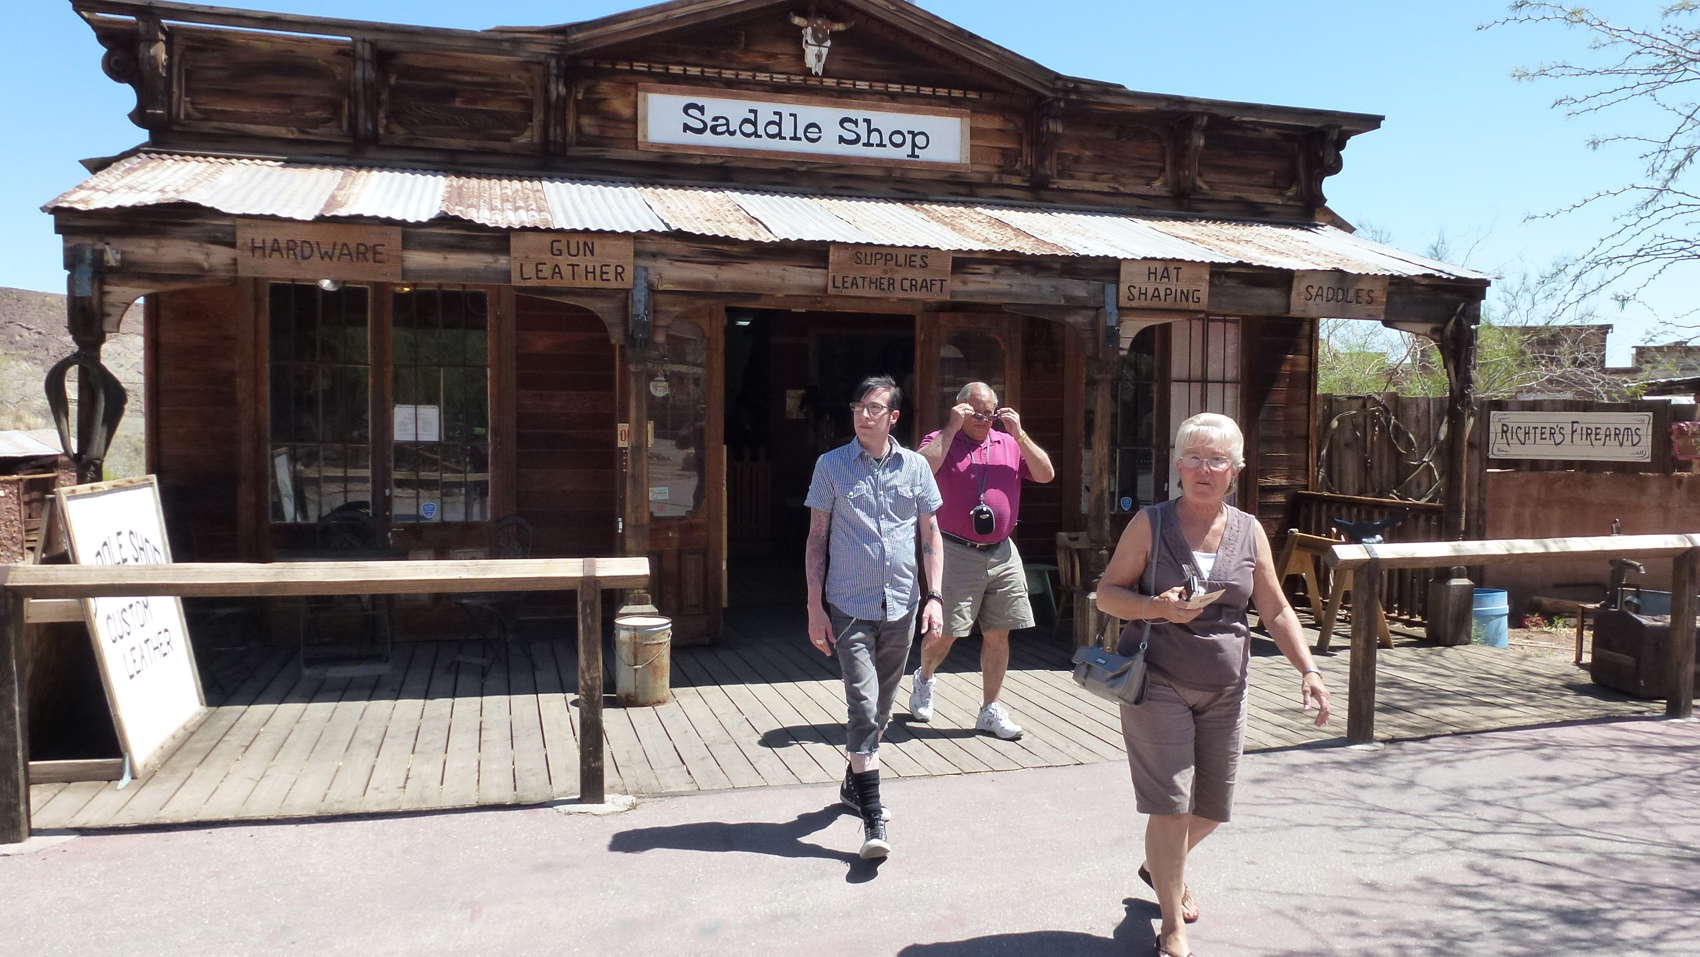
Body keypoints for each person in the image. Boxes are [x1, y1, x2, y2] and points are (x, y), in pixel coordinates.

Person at [1095, 412, 1331, 957]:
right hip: (1158, 681)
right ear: (1178, 466)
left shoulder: (1249, 530)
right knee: (1171, 806)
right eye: (1195, 459)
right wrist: (1156, 607)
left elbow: (1275, 609)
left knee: (1213, 808)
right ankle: (1171, 925)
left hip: (1227, 686)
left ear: (1236, 470)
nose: (1205, 470)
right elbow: (1108, 594)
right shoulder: (1151, 524)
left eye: (1217, 460)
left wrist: (1309, 670)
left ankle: (1160, 866)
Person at [804, 374, 945, 860]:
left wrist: (934, 596)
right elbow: (816, 539)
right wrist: (814, 606)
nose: (864, 415)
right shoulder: (831, 465)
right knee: (863, 706)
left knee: (882, 709)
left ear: (893, 417)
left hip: (902, 603)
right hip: (850, 605)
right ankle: (872, 816)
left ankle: (853, 782)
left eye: (874, 407)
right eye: (858, 406)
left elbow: (930, 533)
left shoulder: (916, 468)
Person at [909, 382, 1055, 739]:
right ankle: (925, 676)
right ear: (960, 409)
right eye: (975, 412)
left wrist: (1020, 434)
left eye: (989, 413)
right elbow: (918, 469)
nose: (983, 419)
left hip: (1002, 551)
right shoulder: (941, 438)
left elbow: (1046, 473)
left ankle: (990, 708)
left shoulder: (1008, 442)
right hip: (955, 549)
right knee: (946, 632)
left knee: (999, 633)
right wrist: (951, 427)